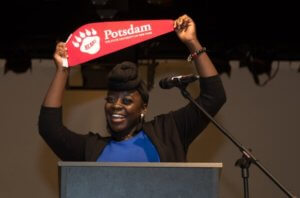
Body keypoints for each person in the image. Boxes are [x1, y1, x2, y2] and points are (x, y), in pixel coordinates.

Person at [38, 14, 226, 162]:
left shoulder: (168, 132)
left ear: (144, 107)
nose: (116, 105)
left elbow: (214, 97)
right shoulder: (91, 149)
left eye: (127, 100)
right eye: (111, 100)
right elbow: (49, 129)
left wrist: (192, 42)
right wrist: (63, 69)